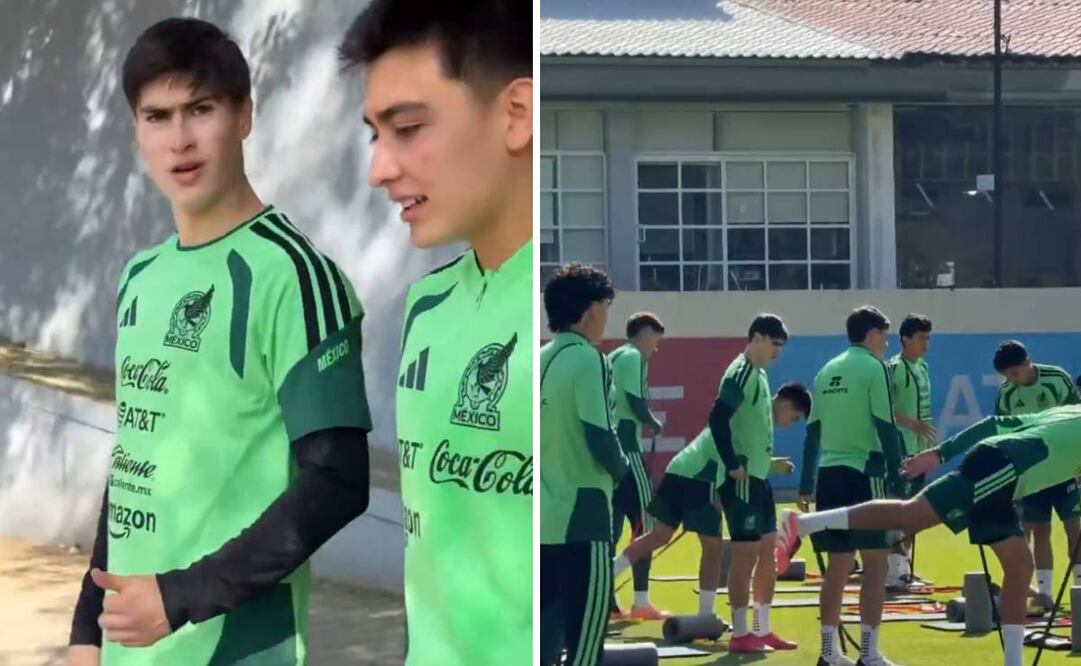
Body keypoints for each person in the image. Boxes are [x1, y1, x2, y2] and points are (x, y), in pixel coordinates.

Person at [68, 18, 372, 666]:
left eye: (199, 109)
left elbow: (338, 482)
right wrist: (85, 632)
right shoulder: (140, 277)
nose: (179, 140)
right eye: (157, 117)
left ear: (243, 116)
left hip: (234, 648)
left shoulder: (293, 275)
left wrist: (179, 597)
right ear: (136, 131)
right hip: (131, 646)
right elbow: (132, 463)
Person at [337, 2, 532, 664]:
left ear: (516, 115)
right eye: (374, 135)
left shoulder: (564, 314)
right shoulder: (427, 305)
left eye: (409, 128)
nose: (379, 170)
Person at [778, 404, 1081, 666]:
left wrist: (939, 454)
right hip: (1003, 467)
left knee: (1019, 566)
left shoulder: (1069, 411)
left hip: (1001, 467)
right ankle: (802, 523)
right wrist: (938, 454)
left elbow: (992, 424)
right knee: (909, 516)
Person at [613, 316, 805, 637]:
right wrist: (730, 467)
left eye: (781, 347)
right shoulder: (743, 372)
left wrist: (769, 465)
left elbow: (747, 450)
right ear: (757, 337)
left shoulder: (756, 378)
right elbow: (721, 425)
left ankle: (608, 577)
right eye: (774, 344)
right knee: (713, 547)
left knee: (656, 537)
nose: (777, 352)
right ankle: (706, 615)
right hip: (700, 475)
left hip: (681, 468)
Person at [785, 305, 904, 666]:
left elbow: (813, 432)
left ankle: (829, 653)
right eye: (883, 335)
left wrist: (805, 484)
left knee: (837, 567)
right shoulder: (874, 367)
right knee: (876, 566)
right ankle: (868, 654)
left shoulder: (826, 370)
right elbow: (886, 426)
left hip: (828, 479)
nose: (886, 343)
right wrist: (898, 477)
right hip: (864, 475)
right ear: (871, 335)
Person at [540, 263, 629, 666]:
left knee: (541, 648)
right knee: (585, 649)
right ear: (592, 309)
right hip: (584, 518)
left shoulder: (540, 358)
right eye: (606, 307)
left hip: (540, 523)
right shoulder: (590, 360)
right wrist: (632, 485)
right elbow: (600, 436)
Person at [992, 340, 1081, 608]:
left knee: (1074, 530)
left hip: (1066, 468)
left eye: (1014, 373)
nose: (1011, 380)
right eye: (1006, 376)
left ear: (1027, 363)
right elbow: (1003, 436)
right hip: (1032, 474)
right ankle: (1045, 594)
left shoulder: (1057, 379)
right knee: (1039, 530)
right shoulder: (1006, 394)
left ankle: (1079, 593)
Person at [607, 312, 668, 620]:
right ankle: (640, 600)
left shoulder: (613, 356)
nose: (654, 350)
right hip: (628, 448)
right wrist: (653, 422)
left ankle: (606, 602)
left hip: (609, 452)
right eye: (655, 341)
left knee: (612, 527)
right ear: (644, 333)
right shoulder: (633, 357)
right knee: (647, 525)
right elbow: (634, 401)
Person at [884, 314, 935, 592]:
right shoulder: (895, 368)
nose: (925, 344)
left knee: (915, 512)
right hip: (902, 450)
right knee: (897, 509)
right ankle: (894, 572)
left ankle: (905, 569)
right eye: (920, 338)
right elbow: (882, 407)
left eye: (928, 338)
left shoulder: (923, 367)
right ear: (905, 339)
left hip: (920, 451)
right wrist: (910, 424)